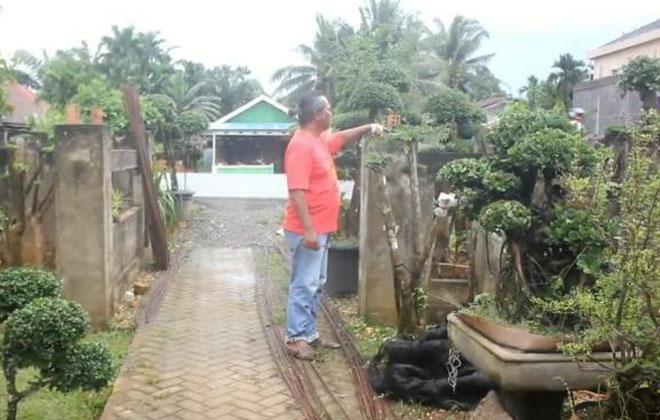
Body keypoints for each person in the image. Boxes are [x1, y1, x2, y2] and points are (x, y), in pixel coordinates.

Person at [283, 92, 383, 360]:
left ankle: (309, 332)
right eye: (328, 109)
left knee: (317, 282)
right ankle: (295, 338)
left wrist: (368, 127)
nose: (332, 112)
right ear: (317, 115)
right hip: (308, 229)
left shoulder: (318, 140)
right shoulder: (300, 145)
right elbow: (297, 191)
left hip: (321, 228)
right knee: (304, 283)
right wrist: (308, 230)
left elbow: (339, 138)